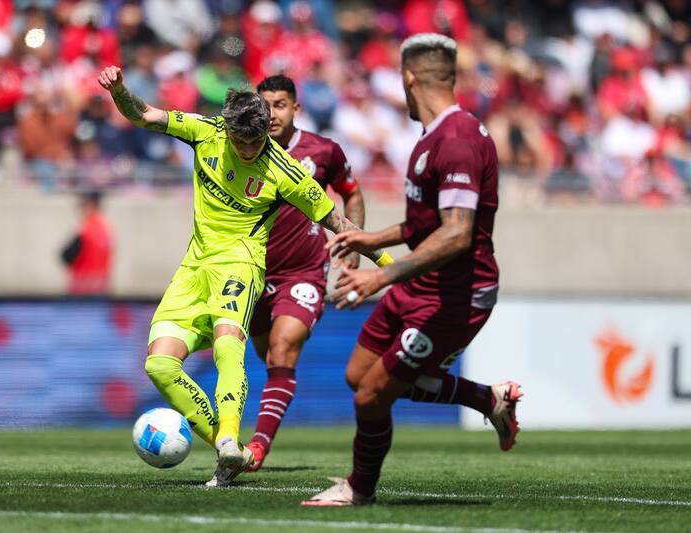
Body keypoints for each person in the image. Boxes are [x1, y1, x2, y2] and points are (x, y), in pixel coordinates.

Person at [97, 65, 393, 487]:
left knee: (228, 346)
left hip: (241, 264)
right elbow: (143, 115)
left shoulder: (285, 171)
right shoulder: (205, 132)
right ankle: (225, 442)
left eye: (258, 141)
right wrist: (120, 90)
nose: (251, 149)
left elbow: (340, 222)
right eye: (243, 141)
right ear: (228, 129)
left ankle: (229, 444)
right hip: (194, 266)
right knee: (160, 364)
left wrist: (389, 265)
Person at [302, 33, 521, 507]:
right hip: (422, 282)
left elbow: (457, 234)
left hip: (455, 294)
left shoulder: (457, 140)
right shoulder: (434, 135)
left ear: (407, 78)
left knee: (371, 398)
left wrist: (379, 275)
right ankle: (488, 399)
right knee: (359, 376)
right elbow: (428, 222)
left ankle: (359, 488)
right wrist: (372, 238)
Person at [244, 74, 366, 471]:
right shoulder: (244, 149)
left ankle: (257, 448)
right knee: (269, 358)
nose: (272, 113)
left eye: (280, 105)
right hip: (252, 274)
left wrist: (352, 248)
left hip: (304, 272)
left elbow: (352, 192)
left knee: (283, 350)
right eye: (264, 105)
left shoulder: (323, 151)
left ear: (296, 108)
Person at [61, 191, 113, 295]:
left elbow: (66, 256)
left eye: (82, 206)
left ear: (90, 205)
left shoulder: (86, 229)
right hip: (101, 287)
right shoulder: (107, 229)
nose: (79, 211)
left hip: (82, 290)